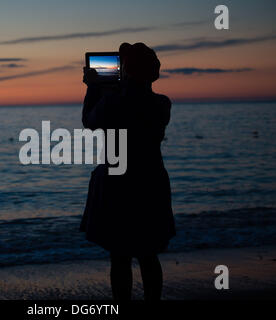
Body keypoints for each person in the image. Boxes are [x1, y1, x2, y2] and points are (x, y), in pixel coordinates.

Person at [80, 42, 176, 301]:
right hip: (150, 181)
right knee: (148, 254)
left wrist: (93, 87)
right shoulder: (161, 104)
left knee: (120, 256)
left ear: (126, 71)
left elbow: (89, 121)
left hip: (117, 183)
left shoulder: (113, 101)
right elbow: (135, 102)